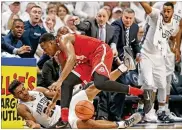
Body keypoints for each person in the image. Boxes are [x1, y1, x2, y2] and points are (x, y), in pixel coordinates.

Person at [39, 32, 150, 128]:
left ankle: (141, 93)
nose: (44, 52)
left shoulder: (63, 39)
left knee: (99, 83)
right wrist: (53, 101)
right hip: (86, 61)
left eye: (44, 48)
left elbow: (72, 58)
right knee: (67, 83)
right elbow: (64, 82)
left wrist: (59, 81)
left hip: (98, 50)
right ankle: (64, 120)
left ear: (51, 42)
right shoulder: (59, 56)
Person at [138, 2, 180, 122]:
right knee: (148, 83)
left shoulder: (175, 25)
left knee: (162, 85)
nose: (166, 13)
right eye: (164, 10)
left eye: (168, 11)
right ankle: (148, 112)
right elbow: (147, 8)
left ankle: (161, 111)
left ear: (172, 12)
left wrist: (174, 47)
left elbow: (172, 36)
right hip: (146, 53)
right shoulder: (157, 15)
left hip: (159, 56)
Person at [153, 1, 182, 122]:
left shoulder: (180, 5)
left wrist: (177, 48)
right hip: (158, 47)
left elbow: (179, 28)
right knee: (154, 82)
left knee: (167, 81)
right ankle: (149, 110)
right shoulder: (158, 5)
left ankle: (165, 109)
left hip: (170, 49)